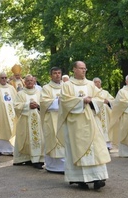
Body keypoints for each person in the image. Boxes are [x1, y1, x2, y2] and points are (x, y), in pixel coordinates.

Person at [57, 61, 110, 190]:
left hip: (91, 122)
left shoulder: (91, 84)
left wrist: (92, 101)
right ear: (74, 69)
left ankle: (98, 178)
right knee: (77, 149)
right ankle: (79, 179)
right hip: (75, 124)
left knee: (96, 148)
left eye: (85, 68)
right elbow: (64, 101)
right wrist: (81, 101)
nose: (83, 70)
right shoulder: (67, 85)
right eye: (81, 68)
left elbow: (100, 98)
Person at [13, 75, 44, 169]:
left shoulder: (39, 93)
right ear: (24, 82)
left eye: (31, 80)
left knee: (38, 140)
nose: (30, 82)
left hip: (38, 120)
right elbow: (16, 106)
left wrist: (38, 106)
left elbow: (44, 104)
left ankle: (36, 160)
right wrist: (28, 105)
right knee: (24, 139)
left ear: (34, 81)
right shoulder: (20, 93)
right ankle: (24, 158)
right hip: (25, 120)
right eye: (28, 81)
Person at [40, 67, 65, 174]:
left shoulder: (66, 86)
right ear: (51, 75)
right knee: (53, 141)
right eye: (55, 73)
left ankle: (66, 166)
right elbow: (43, 103)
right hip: (51, 119)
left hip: (64, 118)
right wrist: (57, 101)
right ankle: (53, 166)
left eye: (59, 73)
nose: (57, 75)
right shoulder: (46, 88)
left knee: (65, 141)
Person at [93, 77, 114, 151]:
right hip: (97, 113)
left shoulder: (105, 92)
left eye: (99, 82)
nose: (97, 83)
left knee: (106, 127)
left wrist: (108, 101)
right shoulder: (91, 92)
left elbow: (112, 100)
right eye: (95, 82)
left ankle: (107, 145)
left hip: (106, 114)